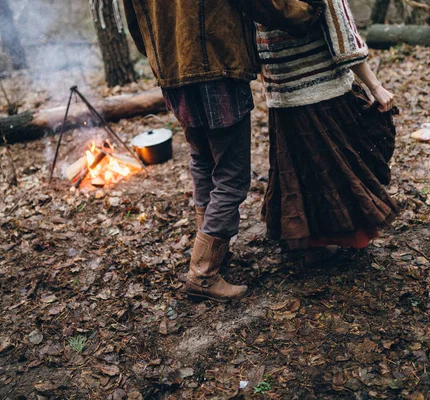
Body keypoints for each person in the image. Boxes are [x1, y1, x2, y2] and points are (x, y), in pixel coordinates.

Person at [122, 0, 321, 302]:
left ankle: (212, 253)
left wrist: (162, 56)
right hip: (217, 64)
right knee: (231, 175)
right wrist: (304, 13)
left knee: (203, 161)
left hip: (173, 70)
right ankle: (204, 273)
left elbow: (136, 24)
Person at [258, 0, 399, 258]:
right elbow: (343, 37)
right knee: (340, 166)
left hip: (282, 92)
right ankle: (345, 235)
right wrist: (374, 86)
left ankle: (311, 239)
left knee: (302, 168)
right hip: (324, 89)